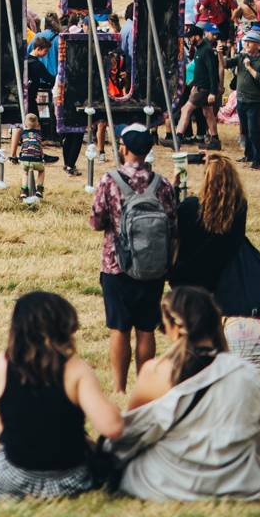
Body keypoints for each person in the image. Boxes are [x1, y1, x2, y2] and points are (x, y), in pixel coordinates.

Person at [111, 285, 260, 501]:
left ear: (175, 328)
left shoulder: (156, 371)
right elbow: (259, 436)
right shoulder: (246, 372)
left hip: (169, 481)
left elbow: (132, 434)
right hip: (235, 480)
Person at [0, 291, 122, 499]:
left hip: (11, 479)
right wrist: (114, 410)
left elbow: (1, 423)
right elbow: (112, 427)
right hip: (68, 479)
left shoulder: (2, 363)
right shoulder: (76, 369)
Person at [170, 154, 260, 371]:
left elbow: (174, 225)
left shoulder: (190, 208)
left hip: (194, 275)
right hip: (226, 274)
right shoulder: (239, 208)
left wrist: (175, 185)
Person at [89, 124, 177, 394]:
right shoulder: (162, 183)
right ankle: (144, 385)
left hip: (116, 263)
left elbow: (96, 221)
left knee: (119, 327)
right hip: (152, 264)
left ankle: (119, 389)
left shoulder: (110, 180)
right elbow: (173, 225)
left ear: (123, 148)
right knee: (146, 328)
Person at [230, 26, 260, 169]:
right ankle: (248, 155)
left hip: (253, 101)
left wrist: (249, 67)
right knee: (245, 130)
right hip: (241, 99)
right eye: (246, 41)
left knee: (253, 131)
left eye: (249, 42)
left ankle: (257, 160)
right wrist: (218, 53)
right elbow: (226, 63)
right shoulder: (242, 56)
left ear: (258, 45)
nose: (246, 44)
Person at [15, 111, 47, 201]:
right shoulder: (39, 134)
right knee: (41, 171)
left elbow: (22, 144)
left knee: (24, 172)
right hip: (36, 159)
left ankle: (24, 191)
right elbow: (40, 147)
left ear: (25, 124)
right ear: (37, 125)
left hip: (24, 159)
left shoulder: (23, 133)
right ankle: (39, 189)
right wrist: (42, 156)